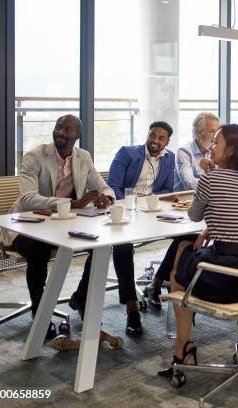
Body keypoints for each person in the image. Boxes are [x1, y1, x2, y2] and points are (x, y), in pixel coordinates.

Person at [4, 115, 124, 347]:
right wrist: (71, 204)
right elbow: (27, 199)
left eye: (67, 129)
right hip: (28, 223)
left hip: (64, 224)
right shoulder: (34, 156)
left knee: (100, 244)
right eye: (58, 127)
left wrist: (106, 198)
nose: (60, 132)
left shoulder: (83, 157)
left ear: (77, 135)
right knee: (37, 251)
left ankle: (81, 297)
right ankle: (41, 316)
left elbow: (104, 186)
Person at [158, 124, 238, 378]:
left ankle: (181, 347)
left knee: (179, 261)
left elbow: (193, 216)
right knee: (185, 248)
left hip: (225, 277)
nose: (210, 147)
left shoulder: (211, 178)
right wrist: (209, 231)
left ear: (231, 150)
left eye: (216, 143)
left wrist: (205, 226)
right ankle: (183, 347)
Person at [98, 121, 175, 335]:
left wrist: (150, 206)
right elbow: (113, 186)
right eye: (153, 135)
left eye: (161, 138)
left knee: (186, 236)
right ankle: (131, 307)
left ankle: (157, 283)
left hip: (151, 213)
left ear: (167, 142)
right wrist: (129, 209)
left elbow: (167, 189)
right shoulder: (127, 153)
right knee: (122, 246)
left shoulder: (170, 159)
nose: (155, 141)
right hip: (125, 211)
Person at [174, 112, 220, 191]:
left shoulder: (215, 151)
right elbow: (189, 184)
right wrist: (217, 184)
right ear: (199, 133)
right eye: (212, 131)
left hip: (206, 198)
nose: (216, 135)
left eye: (217, 131)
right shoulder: (183, 152)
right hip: (183, 200)